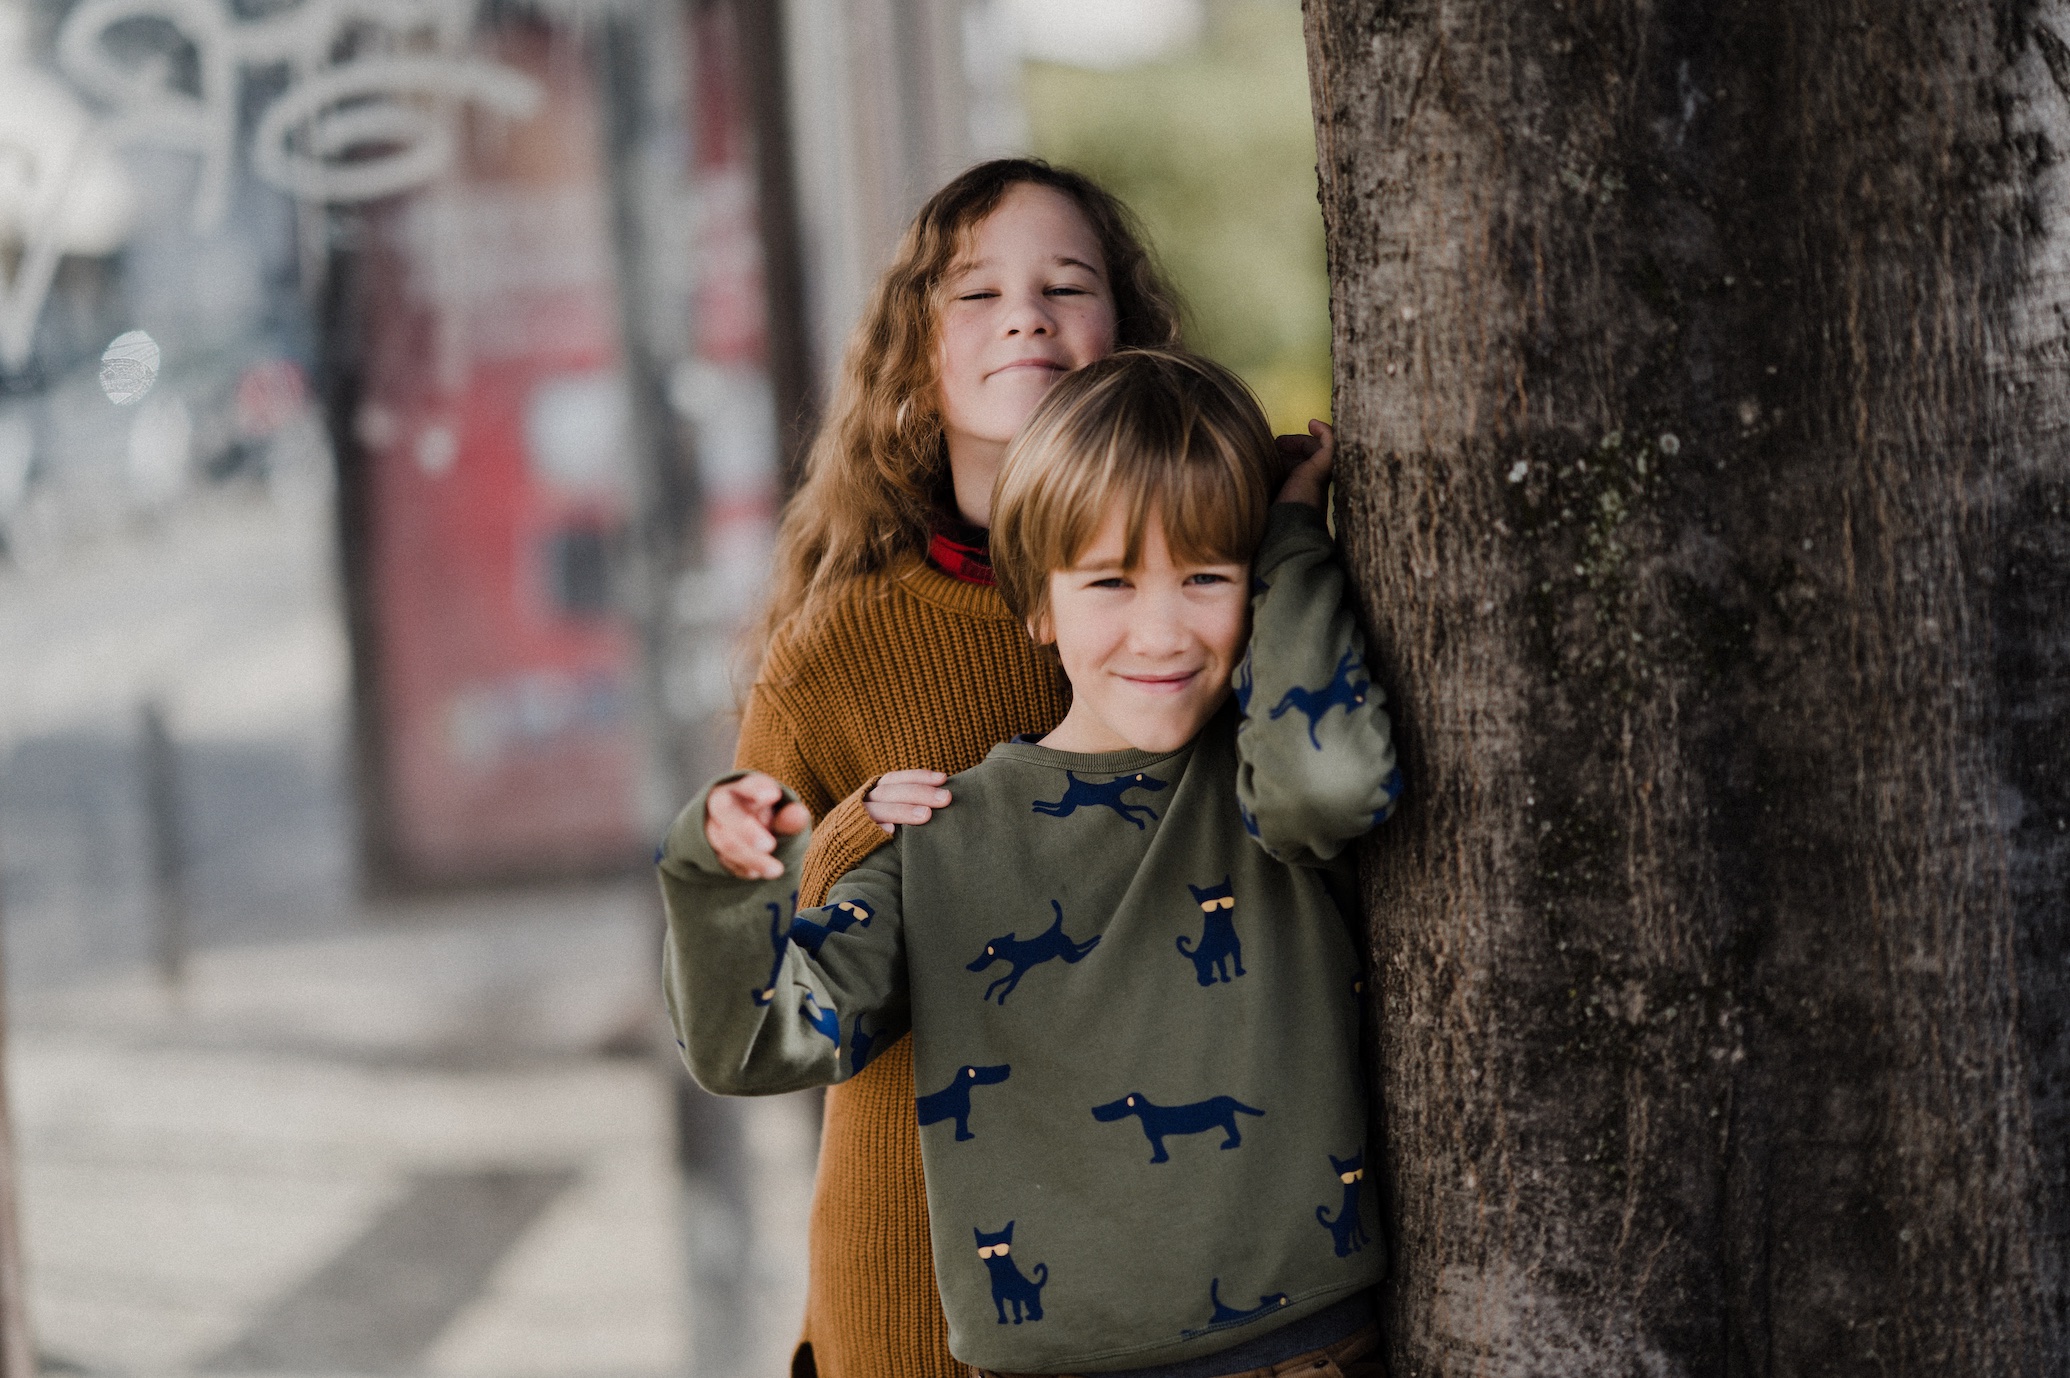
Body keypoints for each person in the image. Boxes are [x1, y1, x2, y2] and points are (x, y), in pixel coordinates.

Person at [665, 349, 1402, 1377]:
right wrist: (717, 877)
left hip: (1302, 1352)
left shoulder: (1259, 778)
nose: (1161, 627)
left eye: (1207, 575)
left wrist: (1289, 536)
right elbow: (756, 1046)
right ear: (1038, 603)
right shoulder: (939, 839)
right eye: (1109, 579)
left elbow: (1336, 781)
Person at [703, 158, 1184, 1378]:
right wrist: (862, 839)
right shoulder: (838, 646)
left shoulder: (1205, 600)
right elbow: (764, 992)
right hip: (916, 1267)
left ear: (1124, 337)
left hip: (1174, 1259)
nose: (1025, 312)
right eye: (976, 293)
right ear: (917, 359)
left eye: (1066, 285)